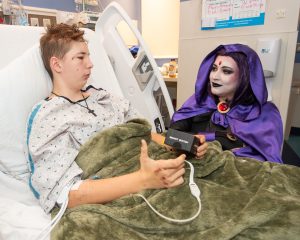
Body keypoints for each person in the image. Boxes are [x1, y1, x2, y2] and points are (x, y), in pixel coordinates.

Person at [27, 23, 194, 214]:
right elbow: (68, 194)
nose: (90, 64)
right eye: (80, 57)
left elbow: (146, 133)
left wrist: (187, 144)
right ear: (57, 64)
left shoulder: (104, 98)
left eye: (88, 56)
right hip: (128, 187)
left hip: (156, 164)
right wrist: (142, 180)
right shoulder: (49, 116)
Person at [170, 44, 283, 163]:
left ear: (245, 77)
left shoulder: (264, 113)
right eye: (214, 69)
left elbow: (268, 162)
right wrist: (193, 144)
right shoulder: (199, 101)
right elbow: (172, 136)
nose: (215, 76)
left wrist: (209, 142)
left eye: (226, 71)